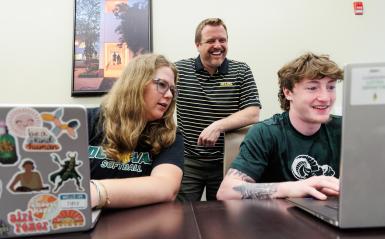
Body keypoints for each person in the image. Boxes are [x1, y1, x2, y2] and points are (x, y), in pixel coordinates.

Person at [217, 52, 344, 200]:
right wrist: (292, 188)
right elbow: (226, 192)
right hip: (278, 219)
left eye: (331, 87)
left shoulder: (345, 129)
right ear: (288, 92)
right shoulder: (265, 133)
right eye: (312, 88)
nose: (325, 98)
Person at [176, 18, 261, 201]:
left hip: (227, 162)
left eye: (222, 40)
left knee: (223, 218)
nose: (218, 45)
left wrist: (217, 126)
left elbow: (253, 111)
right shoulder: (179, 71)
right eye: (211, 41)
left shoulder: (241, 71)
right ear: (198, 44)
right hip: (188, 161)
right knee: (181, 215)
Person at [87, 54, 183, 208]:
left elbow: (166, 187)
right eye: (162, 85)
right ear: (136, 83)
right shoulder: (88, 120)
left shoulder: (169, 135)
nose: (170, 95)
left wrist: (96, 192)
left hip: (144, 224)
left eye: (172, 89)